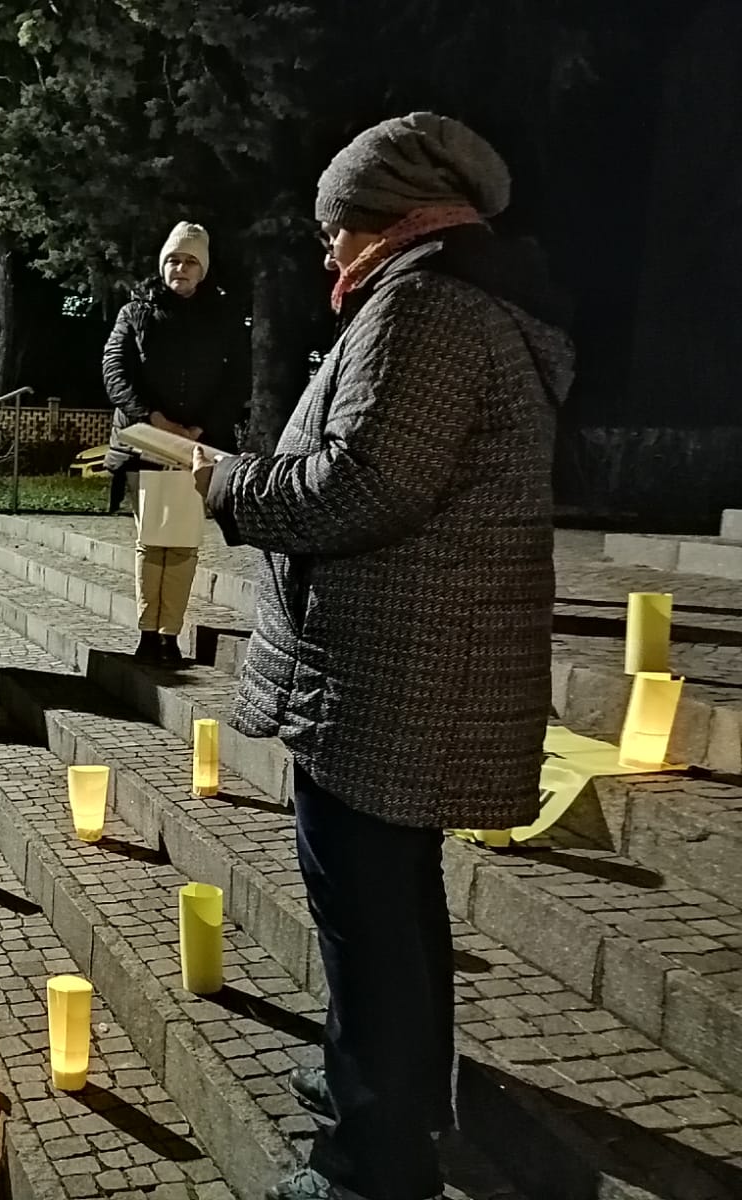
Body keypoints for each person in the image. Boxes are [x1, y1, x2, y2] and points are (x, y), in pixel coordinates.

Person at [194, 113, 573, 1200]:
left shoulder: (426, 308)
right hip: (400, 666)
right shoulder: (458, 298)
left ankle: (372, 1163)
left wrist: (227, 483)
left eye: (335, 228)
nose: (326, 250)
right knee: (391, 905)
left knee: (369, 916)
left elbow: (359, 485)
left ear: (385, 219)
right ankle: (395, 1092)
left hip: (390, 674)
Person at [103, 220, 245, 664]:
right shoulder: (135, 312)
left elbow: (238, 380)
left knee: (182, 544)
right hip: (146, 442)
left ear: (202, 269)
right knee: (152, 542)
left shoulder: (223, 316)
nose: (179, 268)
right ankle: (147, 632)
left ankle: (170, 634)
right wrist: (155, 419)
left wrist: (198, 429)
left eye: (189, 261)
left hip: (197, 447)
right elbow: (115, 371)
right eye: (173, 260)